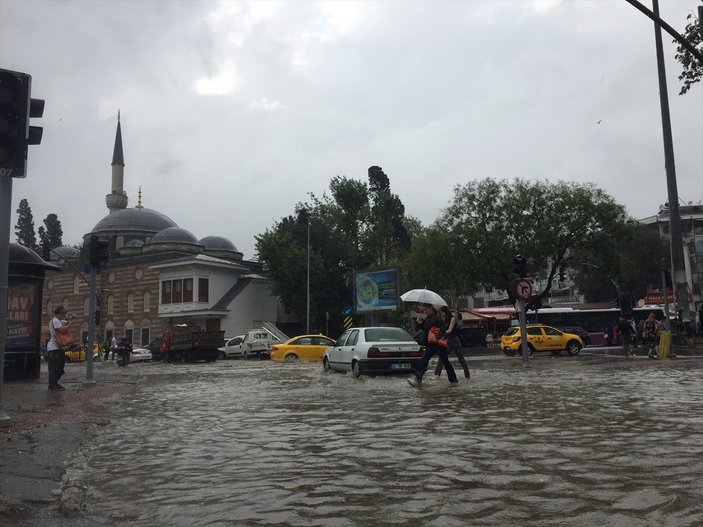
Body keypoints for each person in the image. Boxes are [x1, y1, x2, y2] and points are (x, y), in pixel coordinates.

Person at [408, 303, 458, 387]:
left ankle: (453, 380)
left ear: (431, 308)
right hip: (430, 344)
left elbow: (443, 329)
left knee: (445, 362)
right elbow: (425, 330)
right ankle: (418, 379)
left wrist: (437, 337)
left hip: (439, 344)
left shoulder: (437, 318)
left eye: (426, 310)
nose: (425, 311)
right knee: (423, 360)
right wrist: (420, 322)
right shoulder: (428, 318)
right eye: (424, 310)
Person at [434, 306, 470, 379]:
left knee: (461, 359)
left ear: (446, 312)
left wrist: (442, 332)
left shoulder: (452, 319)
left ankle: (467, 375)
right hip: (448, 341)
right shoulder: (443, 320)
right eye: (440, 313)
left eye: (442, 313)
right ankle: (437, 375)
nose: (442, 315)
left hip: (455, 340)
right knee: (442, 357)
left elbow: (449, 330)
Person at [47, 306, 75, 390]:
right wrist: (71, 323)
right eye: (64, 314)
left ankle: (54, 384)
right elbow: (62, 330)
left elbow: (65, 323)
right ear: (59, 314)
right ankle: (52, 385)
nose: (64, 316)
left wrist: (72, 319)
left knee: (60, 367)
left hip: (58, 348)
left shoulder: (58, 320)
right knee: (55, 368)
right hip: (54, 348)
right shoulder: (55, 320)